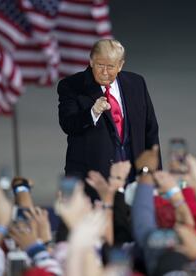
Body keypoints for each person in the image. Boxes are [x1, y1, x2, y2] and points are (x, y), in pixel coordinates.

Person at [57, 38, 161, 183]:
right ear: (91, 62)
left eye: (110, 66)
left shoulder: (136, 84)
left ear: (120, 65)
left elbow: (150, 131)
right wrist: (93, 113)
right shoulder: (72, 86)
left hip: (134, 178)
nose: (105, 72)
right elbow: (68, 124)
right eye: (100, 65)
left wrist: (155, 175)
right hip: (93, 180)